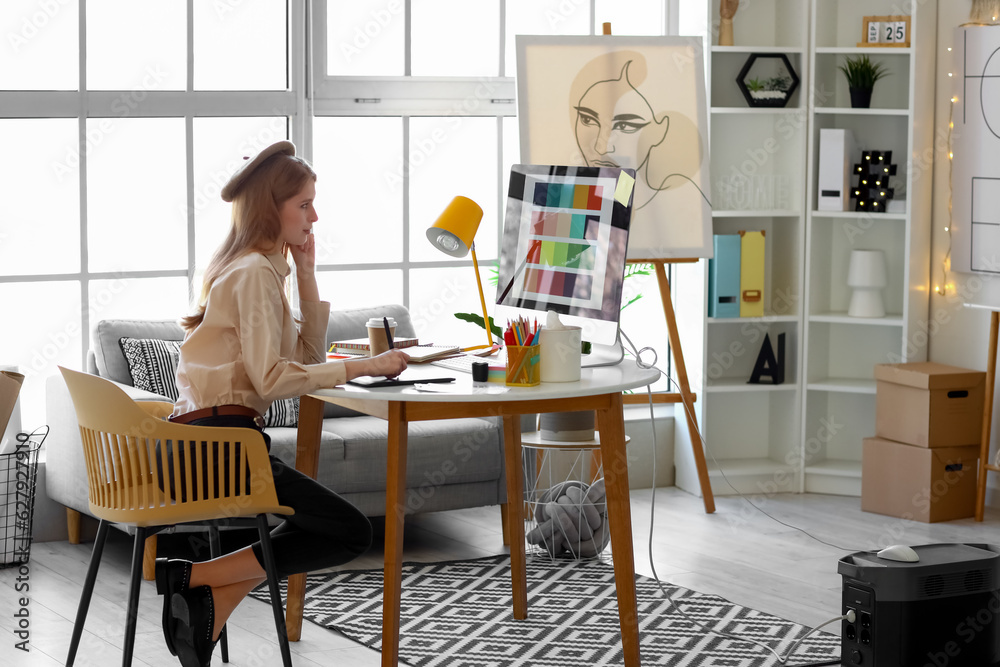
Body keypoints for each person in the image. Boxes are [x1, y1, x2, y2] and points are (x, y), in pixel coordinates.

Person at [156, 140, 408, 667]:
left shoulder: (266, 271)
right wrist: (365, 366)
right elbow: (272, 382)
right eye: (304, 204)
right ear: (273, 207)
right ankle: (194, 576)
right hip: (218, 445)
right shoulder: (252, 274)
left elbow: (306, 361)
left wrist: (309, 272)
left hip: (219, 441)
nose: (315, 216)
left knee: (326, 526)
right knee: (350, 530)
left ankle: (209, 592)